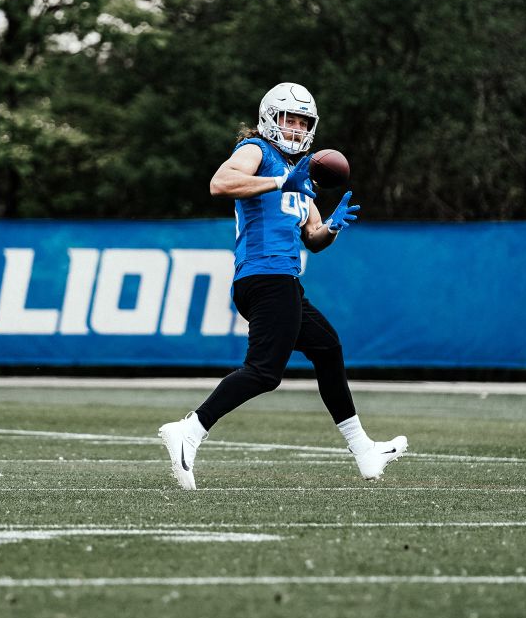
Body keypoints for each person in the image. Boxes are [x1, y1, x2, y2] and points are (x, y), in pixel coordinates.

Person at [158, 82, 408, 490]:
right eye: (288, 118)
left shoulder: (304, 172)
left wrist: (333, 228)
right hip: (264, 275)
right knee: (264, 372)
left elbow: (313, 237)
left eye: (302, 121)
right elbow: (219, 184)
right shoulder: (257, 151)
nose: (295, 128)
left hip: (283, 280)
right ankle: (190, 429)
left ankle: (364, 450)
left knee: (327, 348)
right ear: (269, 119)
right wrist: (279, 183)